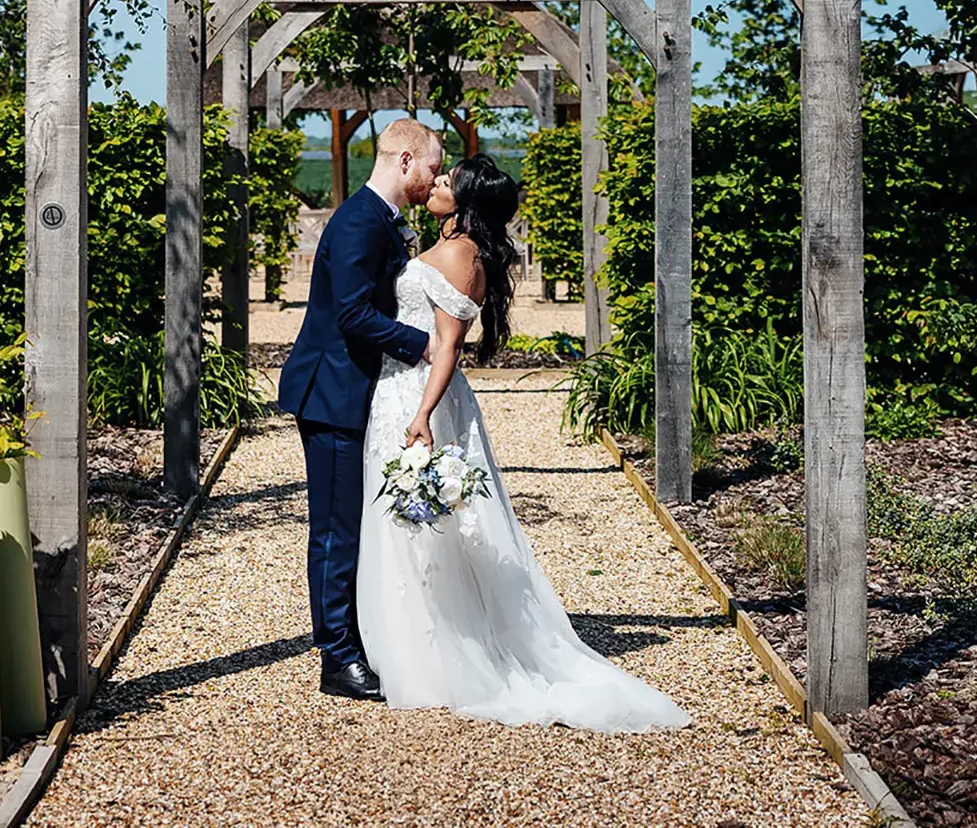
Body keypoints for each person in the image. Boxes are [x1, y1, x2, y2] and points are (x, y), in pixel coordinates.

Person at [355, 154, 692, 732]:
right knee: (408, 524)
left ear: (463, 201)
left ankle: (438, 657)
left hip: (419, 394)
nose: (435, 184)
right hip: (398, 388)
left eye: (446, 181)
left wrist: (422, 415)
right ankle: (414, 643)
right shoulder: (451, 245)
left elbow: (448, 345)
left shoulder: (462, 257)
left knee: (431, 523)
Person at [277, 117, 442, 701]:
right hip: (331, 393)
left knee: (355, 524)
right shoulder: (357, 222)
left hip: (358, 390)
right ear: (403, 160)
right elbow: (350, 314)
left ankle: (358, 637)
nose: (435, 176)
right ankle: (337, 657)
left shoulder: (382, 220)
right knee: (335, 530)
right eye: (430, 166)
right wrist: (421, 344)